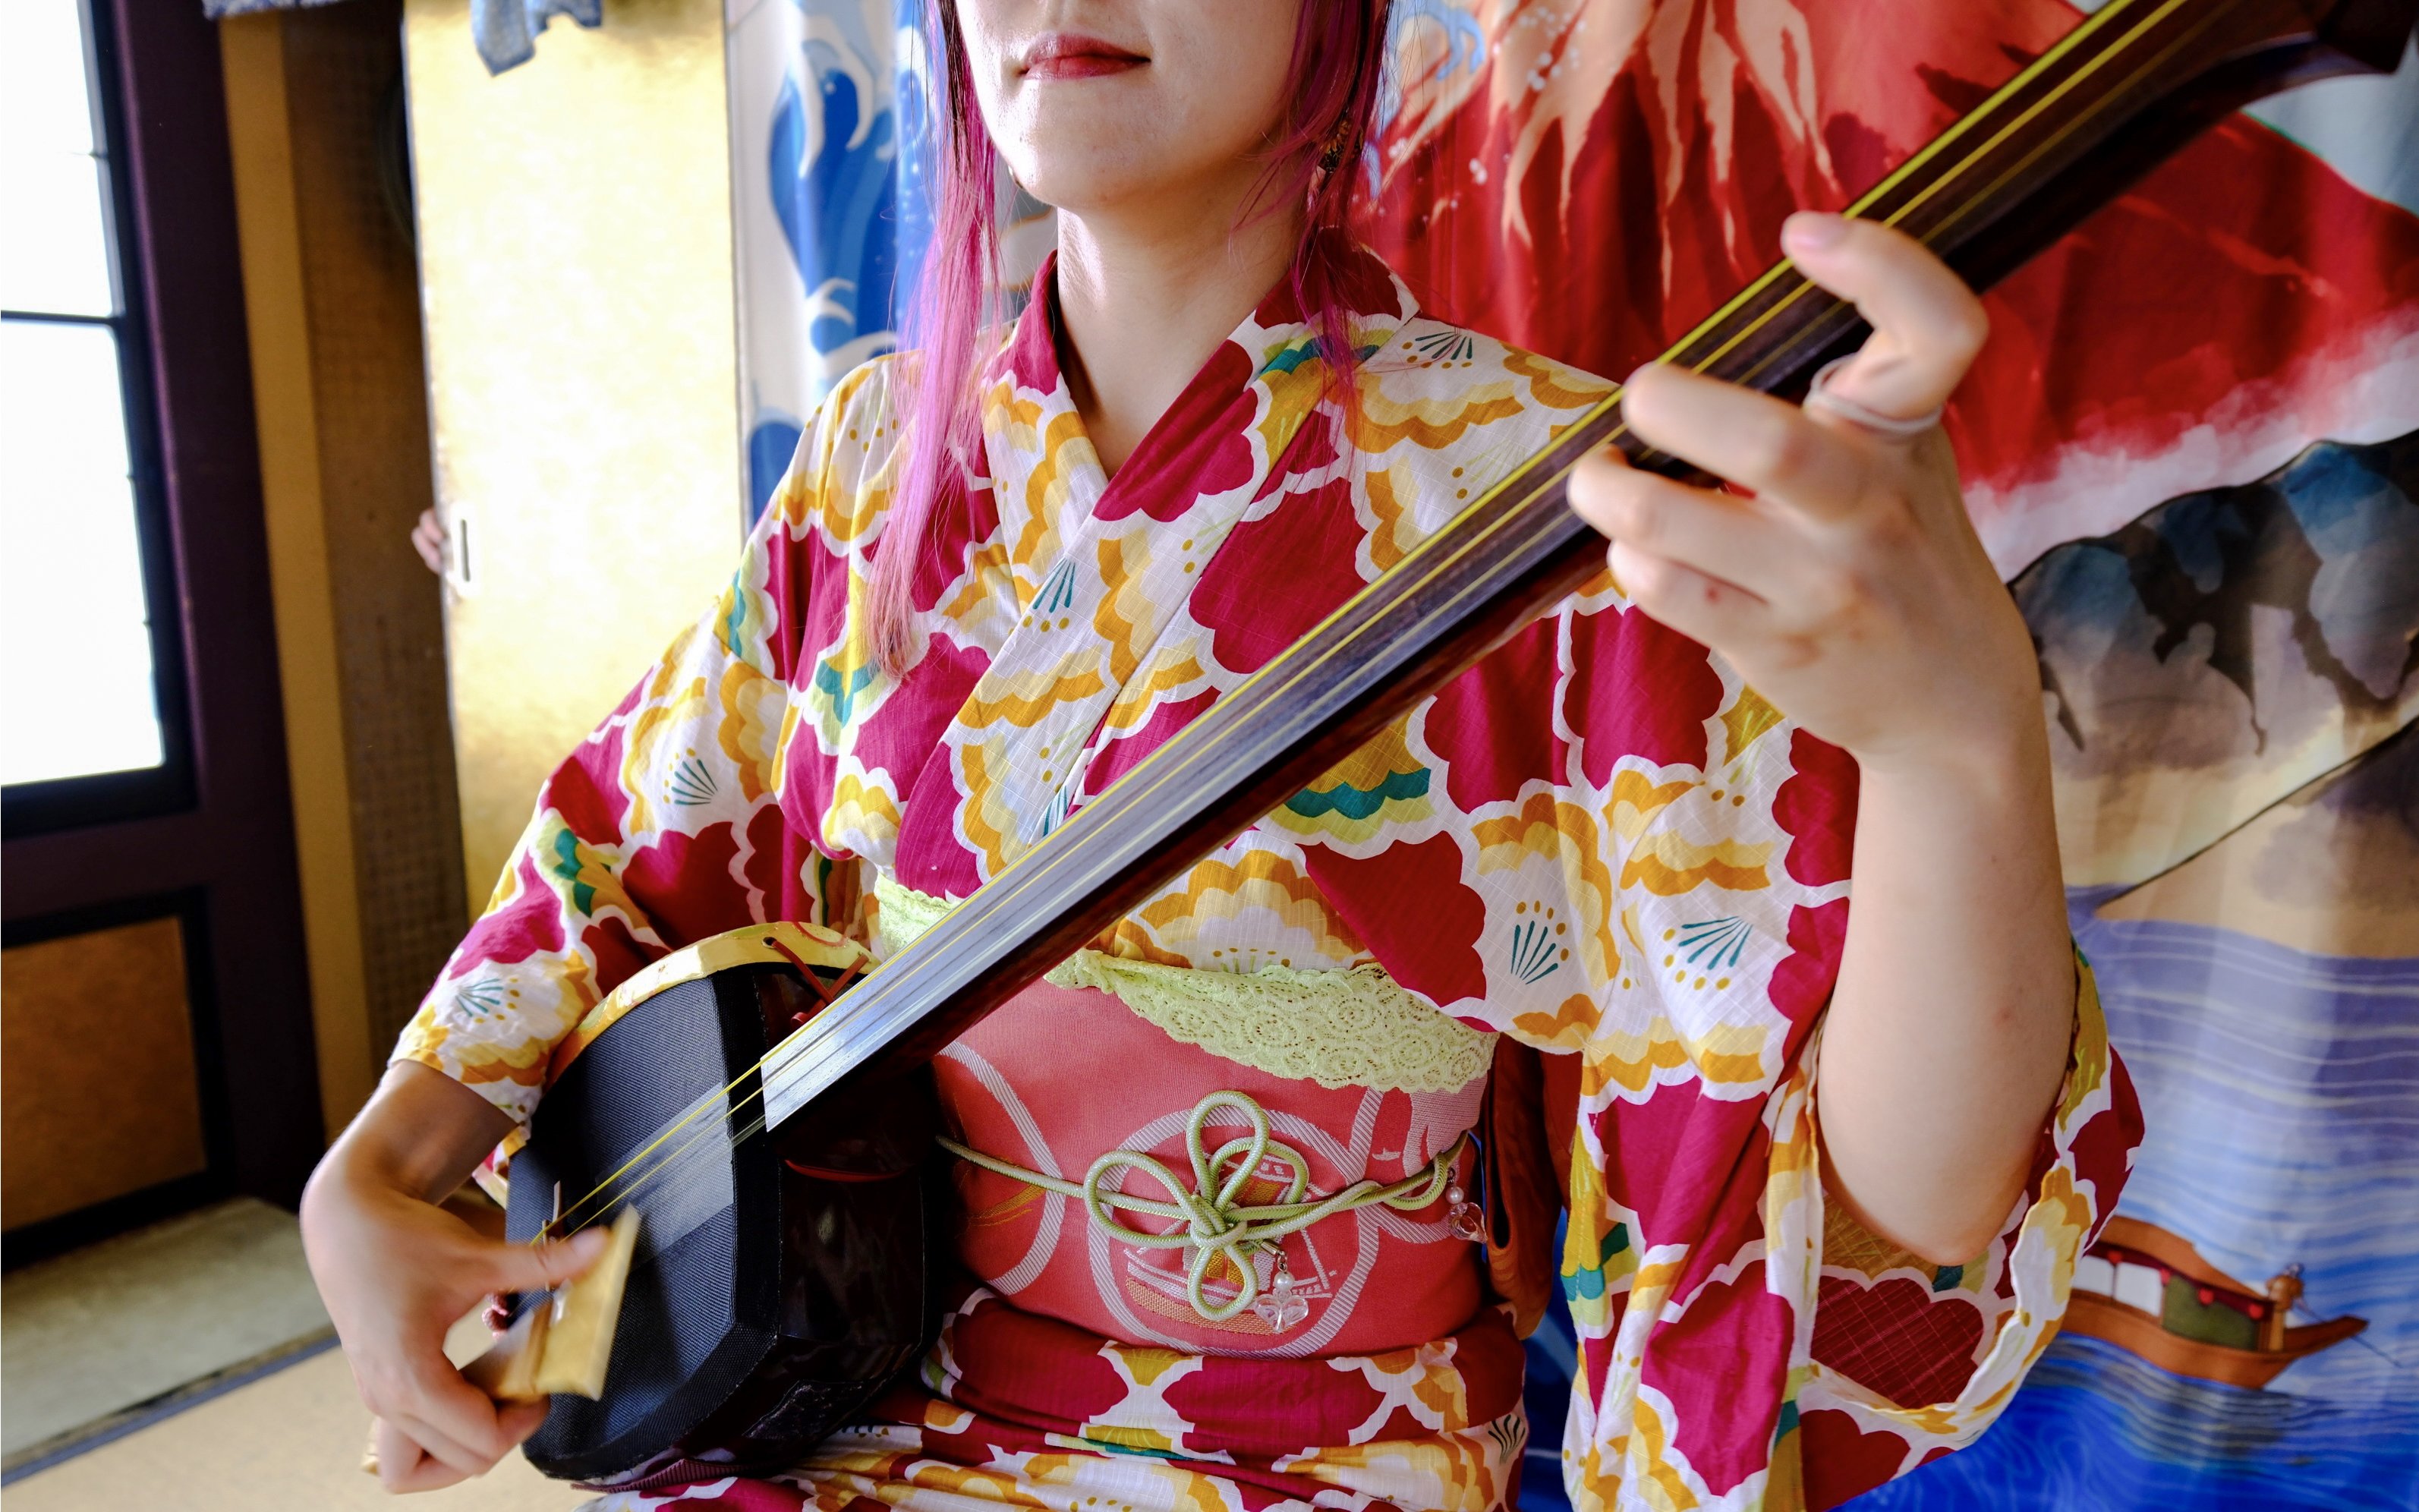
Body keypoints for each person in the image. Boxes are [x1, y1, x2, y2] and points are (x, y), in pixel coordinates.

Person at [302, 3, 2138, 1508]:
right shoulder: (879, 457)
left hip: (1308, 1458)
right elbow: (628, 845)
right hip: (828, 1392)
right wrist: (378, 1170)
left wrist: (1955, 741)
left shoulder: (1560, 503)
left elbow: (1870, 1205)